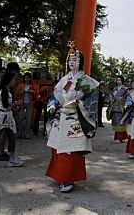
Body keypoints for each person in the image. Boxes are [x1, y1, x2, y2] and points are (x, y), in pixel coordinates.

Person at [45, 41, 99, 193]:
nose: (71, 62)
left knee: (71, 149)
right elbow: (55, 96)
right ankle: (59, 175)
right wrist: (52, 105)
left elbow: (92, 101)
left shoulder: (87, 81)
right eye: (69, 60)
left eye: (74, 59)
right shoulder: (64, 80)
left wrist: (79, 104)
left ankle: (68, 178)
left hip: (76, 117)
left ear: (80, 62)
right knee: (57, 147)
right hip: (61, 116)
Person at [0, 71, 24, 166]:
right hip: (2, 118)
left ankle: (12, 158)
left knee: (12, 137)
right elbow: (6, 105)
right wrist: (17, 103)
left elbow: (8, 106)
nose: (15, 81)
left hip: (8, 117)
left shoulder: (7, 90)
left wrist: (15, 108)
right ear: (9, 80)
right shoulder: (4, 91)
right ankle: (11, 158)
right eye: (14, 79)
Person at [15, 72, 39, 138]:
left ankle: (27, 134)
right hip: (21, 103)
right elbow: (16, 95)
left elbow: (37, 95)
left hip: (29, 103)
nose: (27, 79)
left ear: (30, 78)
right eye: (25, 78)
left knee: (28, 119)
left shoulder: (33, 85)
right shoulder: (20, 85)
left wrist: (32, 92)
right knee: (20, 118)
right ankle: (19, 133)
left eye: (28, 78)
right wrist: (21, 92)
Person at [106, 75, 129, 143]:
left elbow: (127, 97)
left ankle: (119, 138)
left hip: (121, 107)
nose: (118, 81)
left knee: (120, 122)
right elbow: (111, 96)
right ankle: (118, 137)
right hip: (114, 107)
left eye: (120, 80)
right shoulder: (115, 89)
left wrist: (121, 99)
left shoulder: (125, 89)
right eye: (117, 80)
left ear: (122, 81)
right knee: (116, 122)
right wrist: (113, 98)